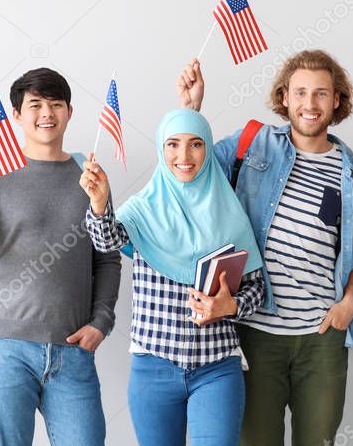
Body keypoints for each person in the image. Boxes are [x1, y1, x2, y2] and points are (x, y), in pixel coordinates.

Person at [177, 50, 353, 446]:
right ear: (284, 98)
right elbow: (193, 173)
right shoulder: (255, 143)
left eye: (320, 94)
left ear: (337, 100)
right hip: (256, 332)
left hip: (322, 339)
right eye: (300, 93)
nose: (309, 104)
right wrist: (192, 110)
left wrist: (350, 300)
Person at [0, 68, 121, 445]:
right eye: (35, 104)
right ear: (17, 115)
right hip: (4, 348)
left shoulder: (90, 178)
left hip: (72, 351)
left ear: (70, 111)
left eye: (55, 104)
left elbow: (107, 257)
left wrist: (102, 321)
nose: (46, 113)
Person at [80, 108, 265, 446]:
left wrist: (230, 306)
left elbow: (258, 288)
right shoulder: (142, 209)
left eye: (196, 144)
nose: (184, 155)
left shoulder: (230, 212)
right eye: (173, 145)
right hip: (153, 368)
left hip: (217, 367)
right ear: (161, 150)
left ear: (207, 149)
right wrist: (99, 202)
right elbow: (106, 240)